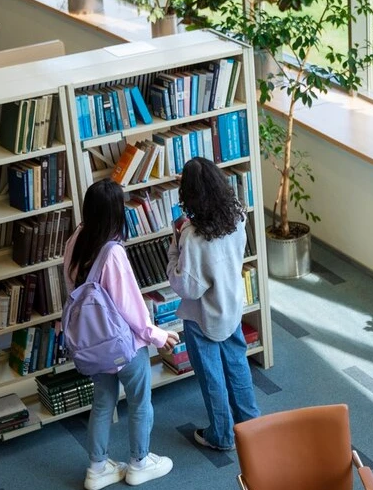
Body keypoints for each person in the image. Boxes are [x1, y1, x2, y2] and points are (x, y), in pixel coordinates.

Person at [64, 180, 178, 489]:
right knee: (140, 401)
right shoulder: (112, 253)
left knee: (103, 402)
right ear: (116, 213)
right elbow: (131, 307)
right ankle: (139, 463)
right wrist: (157, 335)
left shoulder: (75, 239)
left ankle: (97, 468)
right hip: (123, 347)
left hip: (92, 345)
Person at [166, 157, 261, 451]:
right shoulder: (237, 216)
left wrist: (174, 248)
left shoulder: (192, 237)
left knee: (211, 377)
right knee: (237, 364)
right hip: (231, 305)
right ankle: (252, 427)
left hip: (203, 316)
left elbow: (188, 287)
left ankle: (221, 435)